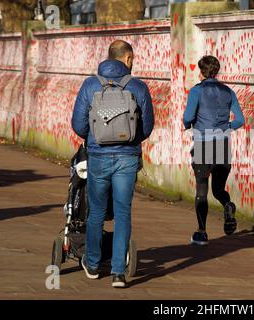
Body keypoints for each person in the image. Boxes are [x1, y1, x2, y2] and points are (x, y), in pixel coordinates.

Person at [72, 40, 154, 288]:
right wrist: (129, 141)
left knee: (96, 211)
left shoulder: (90, 84)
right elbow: (147, 126)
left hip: (98, 156)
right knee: (122, 212)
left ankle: (94, 264)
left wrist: (95, 138)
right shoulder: (138, 87)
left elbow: (78, 125)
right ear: (127, 58)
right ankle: (118, 272)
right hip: (127, 158)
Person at [183, 55, 245, 245]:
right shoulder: (228, 91)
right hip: (223, 143)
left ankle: (201, 232)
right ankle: (228, 205)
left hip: (203, 143)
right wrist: (226, 127)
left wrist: (189, 125)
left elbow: (188, 116)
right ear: (216, 71)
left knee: (202, 189)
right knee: (218, 189)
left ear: (201, 71)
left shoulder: (197, 91)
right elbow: (240, 120)